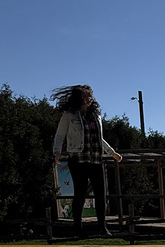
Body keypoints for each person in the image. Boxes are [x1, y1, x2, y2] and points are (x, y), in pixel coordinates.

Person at [52, 85, 122, 236]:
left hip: (96, 159)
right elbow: (59, 135)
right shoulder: (69, 115)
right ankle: (78, 228)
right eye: (86, 96)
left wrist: (112, 152)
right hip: (78, 159)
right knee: (80, 193)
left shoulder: (96, 116)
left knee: (100, 194)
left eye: (90, 96)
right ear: (79, 98)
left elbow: (99, 138)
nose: (89, 99)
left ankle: (103, 228)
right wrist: (57, 152)